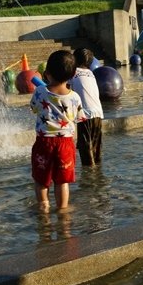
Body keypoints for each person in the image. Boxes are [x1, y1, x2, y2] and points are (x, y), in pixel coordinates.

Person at [29, 50, 87, 211]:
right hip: (65, 143)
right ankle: (62, 211)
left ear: (47, 73)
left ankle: (44, 207)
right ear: (73, 74)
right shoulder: (75, 97)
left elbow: (34, 108)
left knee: (41, 180)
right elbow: (79, 117)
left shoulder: (40, 92)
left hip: (44, 142)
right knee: (62, 181)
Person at [69, 48, 104, 166]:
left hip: (85, 115)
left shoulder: (72, 73)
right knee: (96, 146)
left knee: (85, 147)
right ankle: (98, 170)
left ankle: (89, 177)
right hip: (98, 113)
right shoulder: (91, 73)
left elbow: (65, 90)